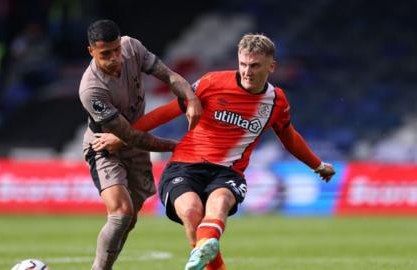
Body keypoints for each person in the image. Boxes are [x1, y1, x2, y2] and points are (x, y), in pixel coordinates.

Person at [93, 33, 336, 270]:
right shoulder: (212, 83)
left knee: (218, 203)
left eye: (255, 65)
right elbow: (167, 111)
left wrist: (317, 165)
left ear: (271, 67)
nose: (247, 71)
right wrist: (122, 135)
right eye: (243, 64)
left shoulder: (276, 101)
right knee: (191, 212)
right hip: (184, 165)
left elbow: (290, 138)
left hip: (228, 172)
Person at [78, 19, 202, 270]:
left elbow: (168, 75)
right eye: (105, 54)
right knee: (120, 213)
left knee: (130, 219)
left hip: (132, 142)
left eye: (116, 50)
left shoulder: (132, 47)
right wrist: (175, 147)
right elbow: (131, 136)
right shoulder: (91, 89)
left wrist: (190, 97)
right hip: (105, 146)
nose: (115, 58)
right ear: (91, 51)